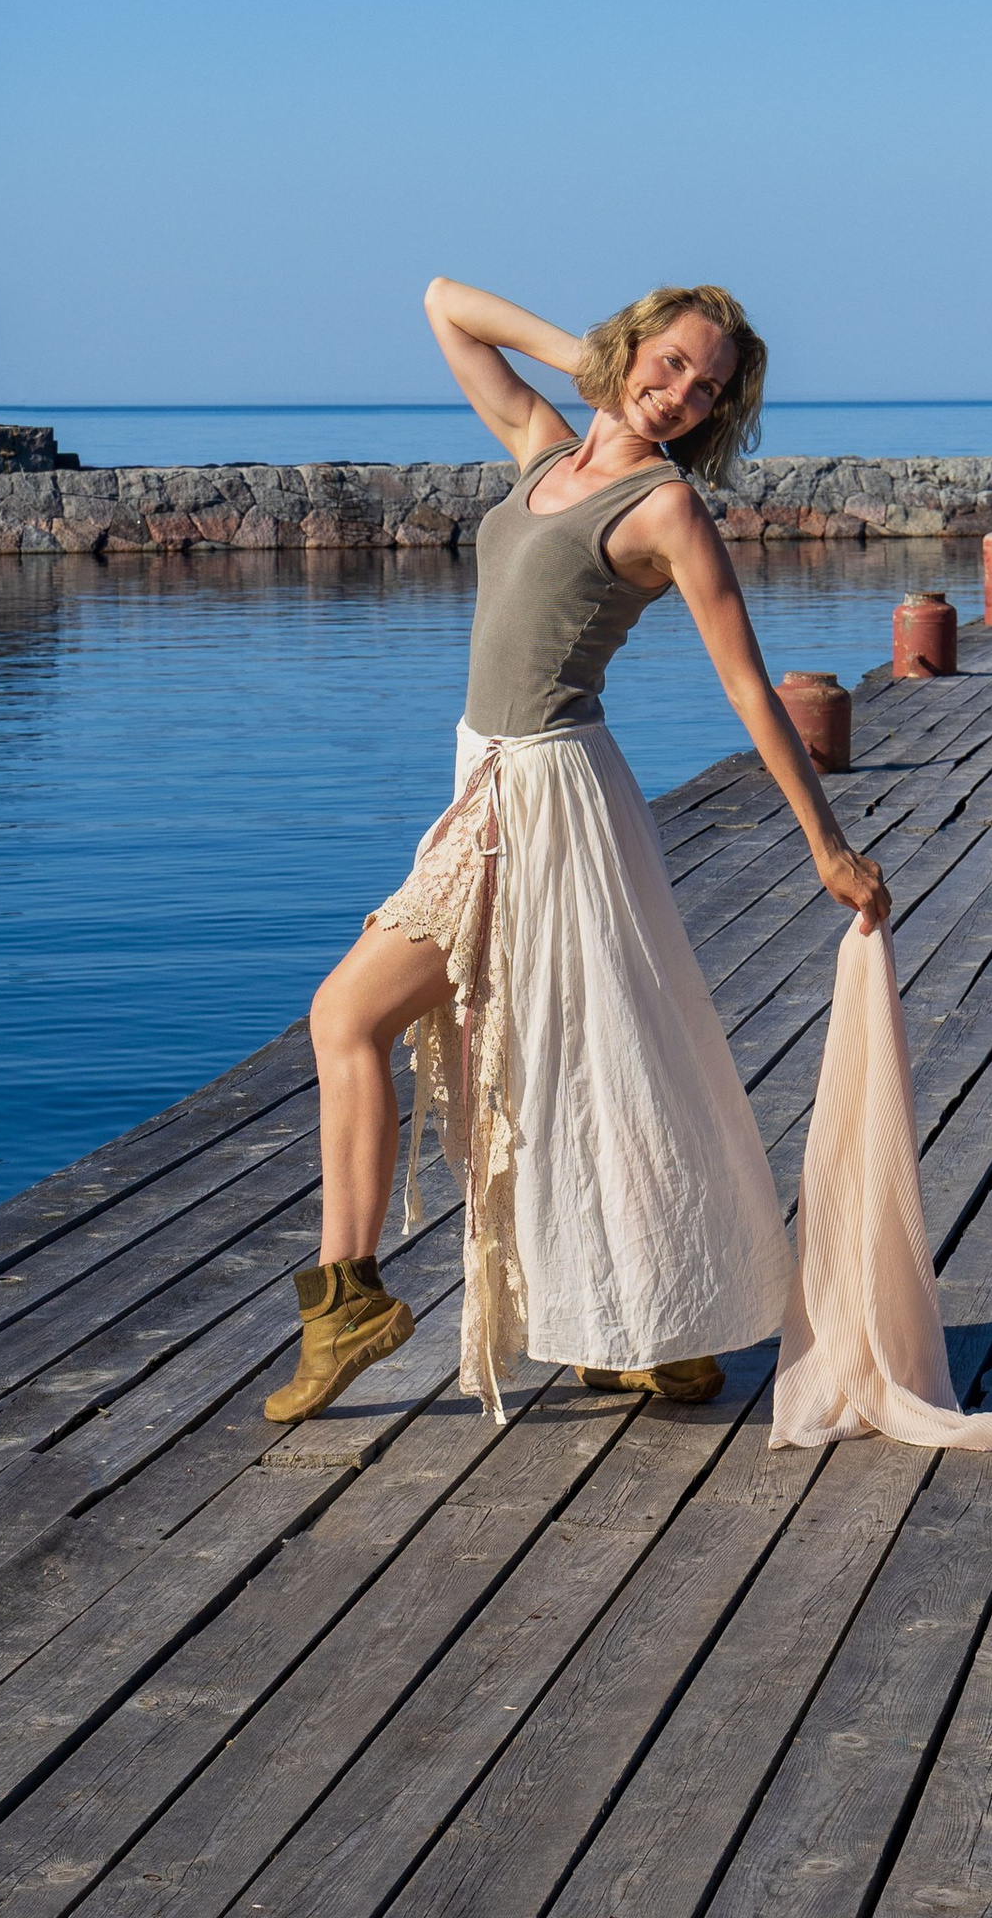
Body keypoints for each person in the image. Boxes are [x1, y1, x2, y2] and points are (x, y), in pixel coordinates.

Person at [266, 276, 891, 1424]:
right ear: (633, 346)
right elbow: (443, 303)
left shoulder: (665, 511)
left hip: (545, 797)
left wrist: (827, 845)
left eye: (703, 391)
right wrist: (594, 367)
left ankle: (348, 1300)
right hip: (485, 782)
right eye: (666, 366)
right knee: (574, 1061)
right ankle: (644, 1327)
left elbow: (750, 688)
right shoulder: (540, 449)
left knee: (362, 1020)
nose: (677, 396)